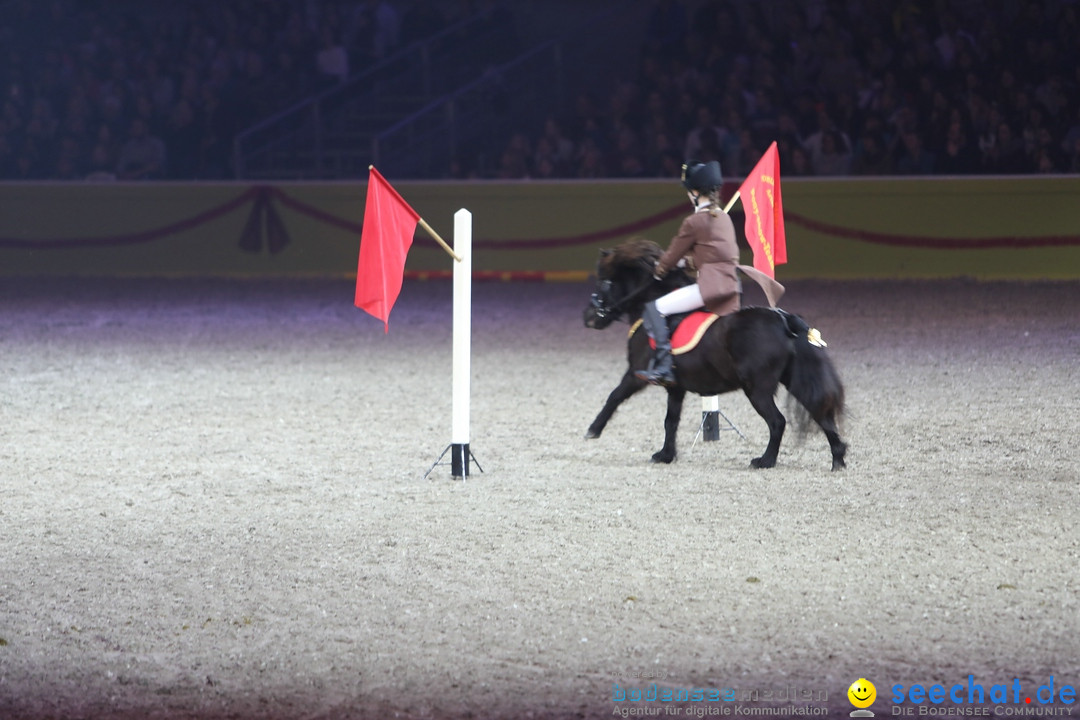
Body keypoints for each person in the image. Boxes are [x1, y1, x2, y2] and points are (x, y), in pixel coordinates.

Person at [635, 160, 739, 386]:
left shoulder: (694, 221)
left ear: (694, 192)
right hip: (731, 287)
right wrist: (686, 263)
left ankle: (664, 367)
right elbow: (712, 255)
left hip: (709, 288)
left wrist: (659, 270)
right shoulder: (724, 218)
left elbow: (671, 255)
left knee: (655, 308)